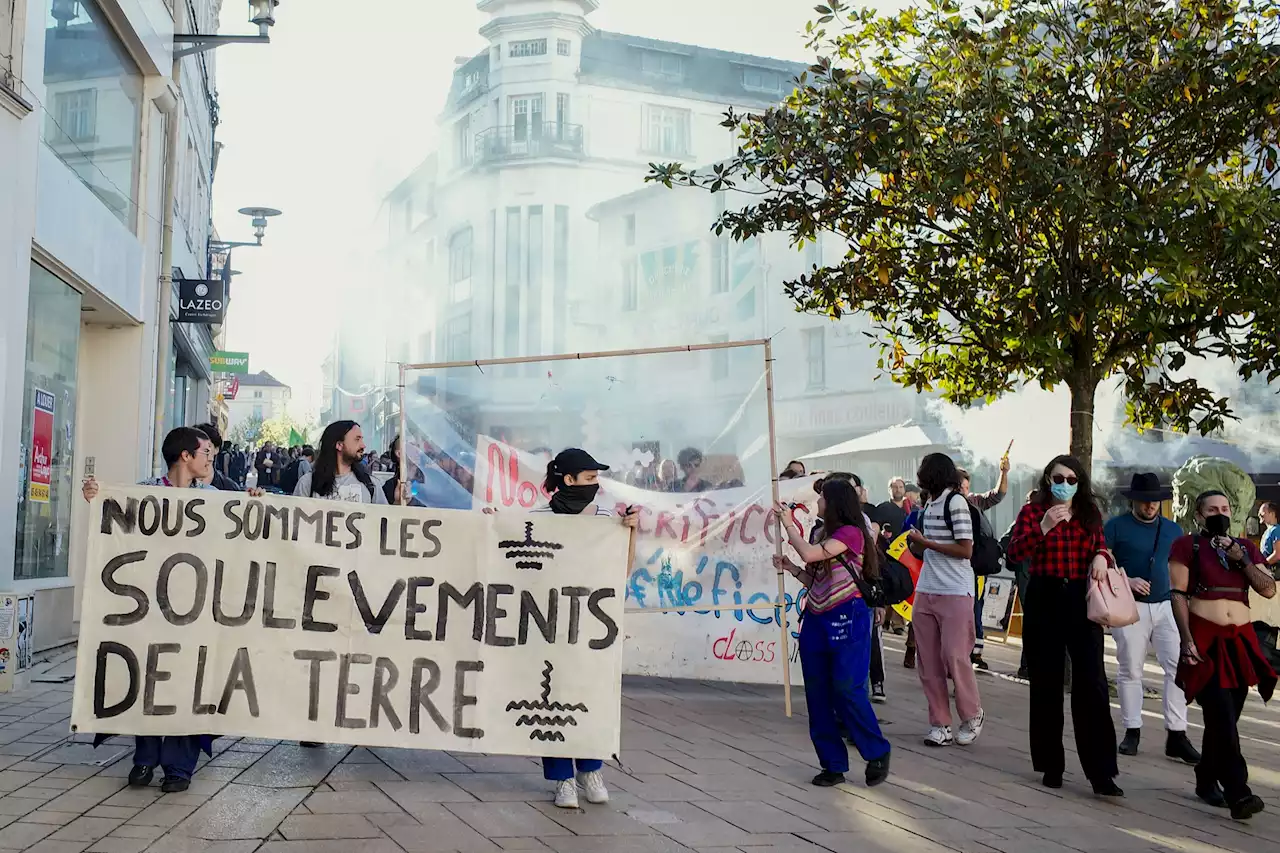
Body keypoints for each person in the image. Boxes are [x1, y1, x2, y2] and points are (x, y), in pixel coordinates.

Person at [80, 426, 218, 794]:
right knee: (150, 677)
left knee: (187, 682)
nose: (211, 458)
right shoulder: (144, 491)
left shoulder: (216, 498)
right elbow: (116, 521)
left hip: (196, 609)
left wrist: (255, 499)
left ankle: (179, 766)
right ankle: (145, 757)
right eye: (206, 452)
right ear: (185, 456)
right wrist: (97, 498)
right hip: (152, 607)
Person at [527, 448, 639, 808]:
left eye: (596, 479)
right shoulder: (537, 517)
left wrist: (631, 533)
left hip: (592, 623)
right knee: (551, 695)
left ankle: (591, 769)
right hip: (550, 622)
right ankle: (562, 779)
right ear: (568, 480)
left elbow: (621, 568)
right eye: (589, 478)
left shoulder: (606, 517)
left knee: (591, 694)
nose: (595, 485)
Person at [1007, 455, 1121, 797]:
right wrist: (1042, 528)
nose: (1065, 484)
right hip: (1044, 593)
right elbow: (1013, 554)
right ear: (1047, 479)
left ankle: (1102, 772)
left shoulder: (1089, 512)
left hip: (1080, 597)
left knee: (1092, 683)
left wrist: (1102, 555)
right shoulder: (1032, 511)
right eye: (1059, 477)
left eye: (1072, 479)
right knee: (1046, 681)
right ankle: (1050, 763)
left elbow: (1101, 545)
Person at [774, 479, 892, 788]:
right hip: (816, 616)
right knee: (817, 693)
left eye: (822, 498)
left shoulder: (852, 534)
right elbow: (814, 577)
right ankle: (832, 764)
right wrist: (790, 567)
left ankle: (877, 751)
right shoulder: (821, 533)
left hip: (848, 617)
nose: (818, 502)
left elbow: (812, 555)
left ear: (836, 502)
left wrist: (789, 527)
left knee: (848, 688)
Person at [1169, 490, 1276, 820]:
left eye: (1225, 508)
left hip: (1240, 644)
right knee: (1222, 716)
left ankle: (1205, 776)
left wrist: (1240, 559)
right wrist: (1187, 641)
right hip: (1206, 642)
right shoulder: (1187, 546)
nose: (1220, 513)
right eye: (1212, 509)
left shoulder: (1246, 548)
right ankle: (1239, 793)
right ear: (1199, 515)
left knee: (1226, 718)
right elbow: (1178, 595)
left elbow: (1268, 588)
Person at [1104, 473, 1196, 763]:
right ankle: (1132, 730)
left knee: (1178, 669)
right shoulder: (1115, 527)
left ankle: (1178, 733)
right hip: (1131, 607)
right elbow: (1102, 562)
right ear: (1133, 500)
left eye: (1154, 501)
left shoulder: (1173, 529)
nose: (1150, 506)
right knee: (1130, 669)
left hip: (1168, 605)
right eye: (1144, 501)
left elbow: (1182, 566)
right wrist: (1127, 580)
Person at [908, 453, 984, 747]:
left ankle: (972, 713)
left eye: (923, 471)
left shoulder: (956, 503)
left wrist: (926, 543)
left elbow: (966, 549)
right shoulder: (928, 503)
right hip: (927, 588)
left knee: (954, 655)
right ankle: (940, 723)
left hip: (955, 589)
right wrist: (920, 546)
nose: (919, 477)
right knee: (927, 661)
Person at [959, 460, 1009, 670]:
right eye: (960, 487)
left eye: (966, 487)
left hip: (976, 566)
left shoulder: (973, 502)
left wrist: (1004, 472)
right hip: (956, 566)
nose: (963, 491)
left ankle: (975, 653)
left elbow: (998, 494)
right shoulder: (942, 507)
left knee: (975, 608)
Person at [294, 421, 387, 505]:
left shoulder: (371, 485)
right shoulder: (307, 483)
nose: (363, 445)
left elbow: (386, 520)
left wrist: (396, 502)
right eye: (357, 439)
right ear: (339, 445)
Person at [195, 423, 242, 492]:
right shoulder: (179, 483)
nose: (199, 452)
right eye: (195, 447)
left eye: (206, 449)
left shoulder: (229, 487)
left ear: (216, 449)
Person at [1260, 501, 1280, 567]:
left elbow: (1277, 554)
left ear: (1272, 514)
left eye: (1262, 512)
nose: (1259, 514)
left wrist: (1262, 566)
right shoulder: (1267, 531)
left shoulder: (1276, 530)